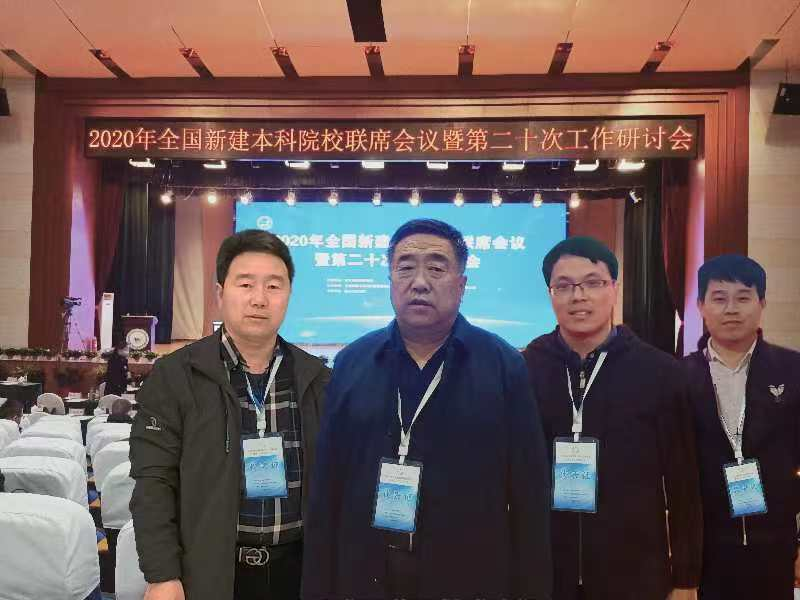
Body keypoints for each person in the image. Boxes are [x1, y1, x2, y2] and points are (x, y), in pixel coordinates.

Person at [303, 219, 552, 600]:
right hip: (365, 576)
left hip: (467, 579)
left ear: (461, 285)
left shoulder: (503, 366)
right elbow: (327, 491)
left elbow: (528, 497)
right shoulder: (352, 363)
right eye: (405, 268)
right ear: (390, 280)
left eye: (436, 268)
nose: (419, 282)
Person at [129, 230, 330, 600]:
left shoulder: (316, 378)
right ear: (220, 293)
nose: (259, 299)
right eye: (246, 284)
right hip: (211, 575)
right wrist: (162, 575)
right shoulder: (177, 375)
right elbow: (153, 482)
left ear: (288, 295)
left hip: (300, 575)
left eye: (274, 286)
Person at [521, 236, 702, 600]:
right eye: (564, 286)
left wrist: (686, 577)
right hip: (544, 572)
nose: (578, 296)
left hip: (633, 571)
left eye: (593, 283)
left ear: (614, 288)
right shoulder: (523, 369)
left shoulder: (660, 372)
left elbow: (683, 482)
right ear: (550, 294)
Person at [684, 254, 800, 600]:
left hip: (776, 544)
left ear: (762, 303)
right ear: (701, 305)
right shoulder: (676, 377)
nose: (731, 309)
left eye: (743, 297)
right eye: (719, 298)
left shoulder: (793, 369)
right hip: (704, 547)